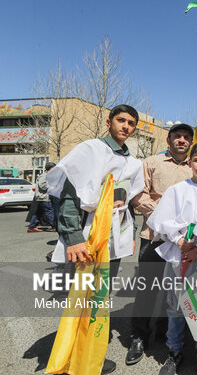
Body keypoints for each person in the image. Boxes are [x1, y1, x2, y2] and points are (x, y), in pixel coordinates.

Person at [47, 104, 145, 375]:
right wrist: (74, 238)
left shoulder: (131, 162)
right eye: (121, 120)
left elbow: (127, 204)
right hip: (87, 238)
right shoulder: (90, 150)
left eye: (131, 123)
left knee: (99, 300)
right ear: (109, 121)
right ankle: (71, 359)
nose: (126, 126)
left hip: (114, 242)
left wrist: (130, 235)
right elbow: (68, 196)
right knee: (80, 297)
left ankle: (89, 356)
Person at [146, 142, 197, 375]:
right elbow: (161, 219)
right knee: (175, 304)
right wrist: (179, 240)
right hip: (178, 254)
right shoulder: (176, 190)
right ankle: (174, 350)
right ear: (190, 162)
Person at [126, 122, 194, 366]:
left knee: (174, 292)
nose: (182, 140)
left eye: (187, 137)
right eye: (178, 136)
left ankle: (168, 337)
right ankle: (138, 337)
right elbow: (138, 195)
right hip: (153, 236)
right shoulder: (152, 163)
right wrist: (163, 216)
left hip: (181, 242)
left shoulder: (195, 167)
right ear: (169, 139)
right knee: (147, 290)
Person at [27, 162, 56, 232]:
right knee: (49, 212)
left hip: (41, 197)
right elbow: (42, 185)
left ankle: (31, 226)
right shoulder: (45, 175)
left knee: (37, 213)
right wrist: (52, 187)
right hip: (43, 197)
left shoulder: (47, 175)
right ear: (51, 168)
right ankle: (54, 226)